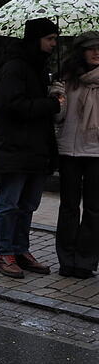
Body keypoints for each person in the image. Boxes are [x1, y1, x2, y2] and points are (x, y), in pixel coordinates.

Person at [0, 17, 63, 278]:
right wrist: (50, 104)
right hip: (16, 147)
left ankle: (20, 249)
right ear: (36, 39)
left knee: (28, 203)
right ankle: (5, 253)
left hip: (36, 148)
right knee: (10, 203)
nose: (54, 44)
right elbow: (13, 106)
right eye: (50, 39)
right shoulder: (14, 68)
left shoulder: (37, 68)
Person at [54, 31, 99, 278]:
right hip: (70, 150)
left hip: (97, 151)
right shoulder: (68, 79)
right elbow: (59, 118)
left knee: (94, 208)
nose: (96, 52)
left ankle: (85, 261)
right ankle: (66, 259)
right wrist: (57, 99)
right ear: (81, 51)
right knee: (68, 206)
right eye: (91, 48)